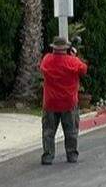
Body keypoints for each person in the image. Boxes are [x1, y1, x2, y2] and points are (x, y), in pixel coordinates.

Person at [38, 36, 88, 165]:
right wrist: (74, 56)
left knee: (48, 131)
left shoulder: (47, 60)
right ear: (66, 48)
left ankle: (48, 156)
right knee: (71, 130)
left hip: (50, 102)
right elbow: (83, 69)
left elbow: (42, 68)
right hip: (69, 102)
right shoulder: (73, 62)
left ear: (53, 48)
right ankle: (71, 154)